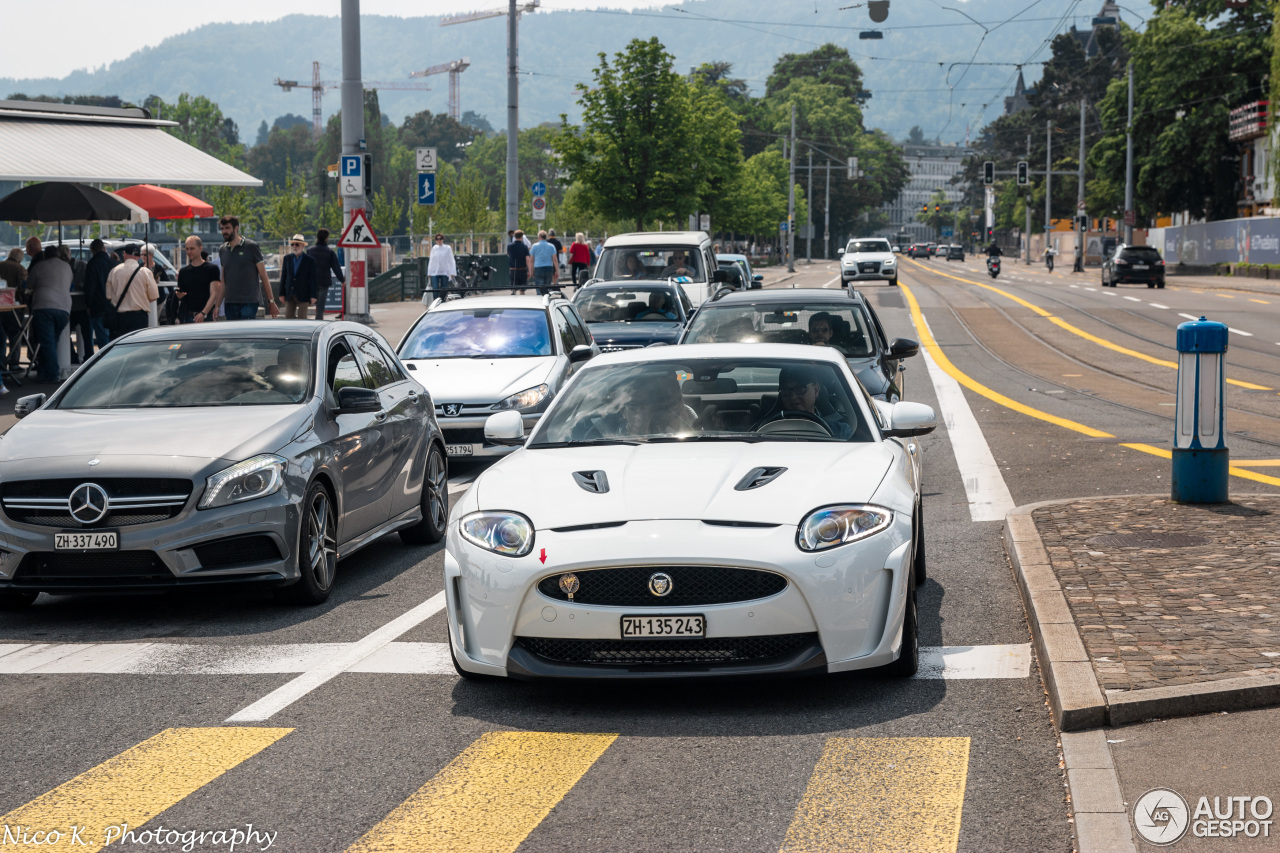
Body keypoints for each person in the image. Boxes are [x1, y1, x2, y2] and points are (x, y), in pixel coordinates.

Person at [756, 364, 852, 439]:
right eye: (786, 390)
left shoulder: (840, 431)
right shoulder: (767, 429)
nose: (792, 396)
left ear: (816, 390)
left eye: (800, 388)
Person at [217, 215, 279, 320]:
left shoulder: (251, 247)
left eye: (227, 228)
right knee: (233, 336)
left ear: (236, 228)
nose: (224, 231)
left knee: (245, 335)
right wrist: (217, 306)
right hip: (230, 303)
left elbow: (264, 276)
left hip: (249, 302)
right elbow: (224, 280)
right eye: (222, 228)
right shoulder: (222, 250)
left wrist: (271, 302)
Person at [27, 245, 73, 383]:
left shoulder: (39, 266)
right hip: (64, 308)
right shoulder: (67, 267)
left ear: (45, 255)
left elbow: (29, 285)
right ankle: (43, 370)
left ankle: (53, 374)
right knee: (52, 341)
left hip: (43, 306)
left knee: (47, 342)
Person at [105, 244, 159, 339]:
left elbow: (108, 296)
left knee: (120, 347)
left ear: (124, 254)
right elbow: (153, 296)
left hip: (119, 318)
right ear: (138, 256)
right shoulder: (145, 272)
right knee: (139, 347)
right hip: (139, 317)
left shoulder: (114, 271)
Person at [177, 236, 222, 324]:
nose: (189, 252)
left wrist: (203, 313)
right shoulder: (183, 272)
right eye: (187, 249)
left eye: (192, 248)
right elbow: (180, 291)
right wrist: (178, 294)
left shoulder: (212, 269)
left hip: (206, 317)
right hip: (187, 317)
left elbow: (214, 294)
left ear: (200, 248)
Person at [307, 228, 344, 320]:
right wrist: (342, 280)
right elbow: (336, 268)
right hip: (324, 282)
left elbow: (305, 267)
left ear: (317, 237)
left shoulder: (310, 251)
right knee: (320, 307)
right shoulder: (329, 252)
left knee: (308, 303)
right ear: (326, 238)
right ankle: (318, 322)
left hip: (312, 282)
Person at [277, 234, 317, 319]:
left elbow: (312, 279)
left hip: (304, 293)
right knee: (289, 316)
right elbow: (284, 276)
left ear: (302, 246)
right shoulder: (287, 258)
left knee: (302, 317)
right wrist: (281, 293)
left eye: (297, 244)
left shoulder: (310, 260)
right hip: (290, 293)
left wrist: (313, 295)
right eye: (292, 244)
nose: (294, 246)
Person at [83, 239, 112, 348]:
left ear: (92, 250)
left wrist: (88, 305)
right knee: (110, 336)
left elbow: (90, 286)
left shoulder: (92, 264)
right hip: (111, 305)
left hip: (97, 305)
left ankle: (105, 361)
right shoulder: (111, 263)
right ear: (104, 249)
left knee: (101, 336)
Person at [427, 233, 456, 301]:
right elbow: (431, 260)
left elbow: (451, 260)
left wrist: (452, 272)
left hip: (444, 271)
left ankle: (443, 302)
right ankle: (435, 303)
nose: (439, 240)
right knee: (435, 289)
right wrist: (429, 272)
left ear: (443, 239)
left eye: (440, 239)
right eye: (437, 239)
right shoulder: (434, 248)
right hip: (435, 272)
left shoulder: (447, 248)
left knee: (444, 289)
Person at [530, 230, 558, 295]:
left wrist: (531, 270)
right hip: (549, 268)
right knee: (547, 287)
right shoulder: (551, 246)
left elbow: (531, 259)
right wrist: (556, 270)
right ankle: (546, 300)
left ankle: (540, 301)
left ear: (539, 237)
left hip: (538, 268)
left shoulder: (534, 246)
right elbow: (555, 259)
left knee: (539, 287)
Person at [508, 229, 532, 295]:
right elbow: (527, 259)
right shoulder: (525, 247)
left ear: (514, 236)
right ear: (522, 237)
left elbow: (508, 254)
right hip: (522, 270)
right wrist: (529, 270)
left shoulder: (509, 246)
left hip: (513, 269)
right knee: (522, 289)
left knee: (514, 288)